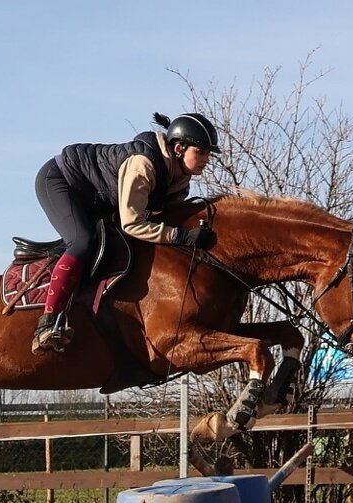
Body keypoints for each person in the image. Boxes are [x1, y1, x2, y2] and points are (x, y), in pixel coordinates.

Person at [30, 111, 221, 354]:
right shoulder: (143, 164)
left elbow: (163, 218)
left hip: (96, 195)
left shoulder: (180, 179)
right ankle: (48, 323)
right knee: (82, 241)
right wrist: (180, 237)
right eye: (201, 152)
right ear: (179, 149)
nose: (206, 159)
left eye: (208, 154)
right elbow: (132, 223)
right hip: (61, 180)